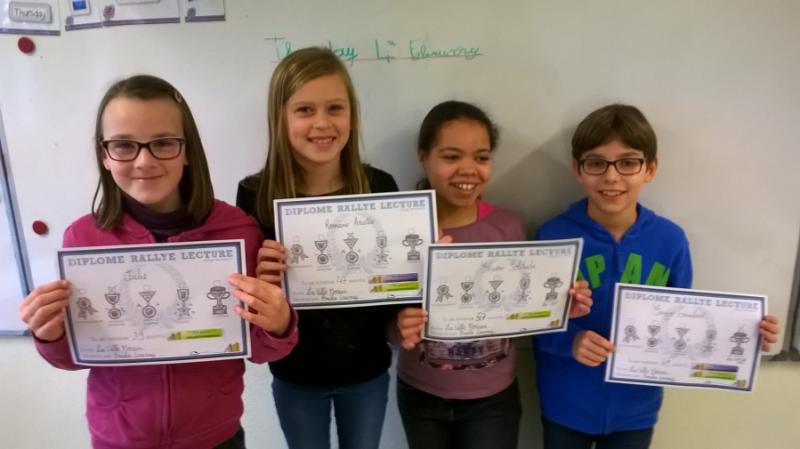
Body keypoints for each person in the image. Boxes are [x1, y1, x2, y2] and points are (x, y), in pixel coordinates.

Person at [19, 74, 298, 449]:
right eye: (123, 145)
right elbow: (74, 357)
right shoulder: (83, 238)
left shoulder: (238, 231)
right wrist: (50, 334)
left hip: (215, 438)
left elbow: (260, 349)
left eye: (163, 143)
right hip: (120, 439)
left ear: (187, 151)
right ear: (104, 155)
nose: (144, 161)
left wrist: (278, 324)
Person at [533, 103, 780, 449]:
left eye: (628, 162)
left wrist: (745, 337)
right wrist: (570, 341)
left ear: (650, 168)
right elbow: (529, 324)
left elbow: (686, 322)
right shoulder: (552, 236)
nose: (611, 177)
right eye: (596, 163)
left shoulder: (670, 240)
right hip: (566, 405)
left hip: (637, 411)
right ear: (578, 169)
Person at [393, 100, 592, 449]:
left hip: (492, 399)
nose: (468, 169)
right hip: (421, 393)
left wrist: (560, 309)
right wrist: (398, 327)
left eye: (481, 157)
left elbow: (523, 307)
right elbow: (385, 313)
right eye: (451, 156)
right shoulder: (401, 230)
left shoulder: (507, 227)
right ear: (423, 157)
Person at [235, 47, 398, 449]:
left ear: (351, 116)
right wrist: (262, 281)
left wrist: (421, 267)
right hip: (296, 372)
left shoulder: (380, 187)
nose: (322, 123)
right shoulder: (254, 194)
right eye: (305, 110)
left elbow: (397, 288)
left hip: (367, 368)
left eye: (335, 108)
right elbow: (249, 301)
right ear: (281, 118)